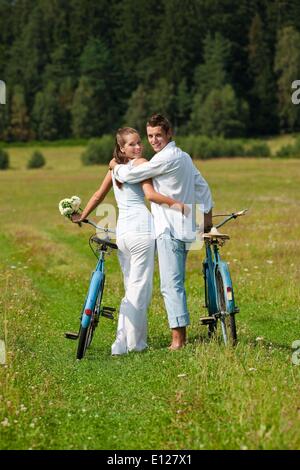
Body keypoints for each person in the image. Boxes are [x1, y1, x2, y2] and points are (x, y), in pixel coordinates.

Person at [72, 127, 187, 355]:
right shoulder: (141, 163)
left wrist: (83, 215)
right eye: (132, 144)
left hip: (123, 232)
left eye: (139, 143)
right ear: (122, 148)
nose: (139, 147)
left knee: (132, 286)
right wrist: (180, 206)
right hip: (141, 231)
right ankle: (124, 343)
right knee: (139, 289)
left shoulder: (114, 169)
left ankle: (135, 341)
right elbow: (149, 194)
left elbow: (98, 195)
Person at [110, 114, 213, 350]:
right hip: (187, 227)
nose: (154, 140)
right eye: (150, 136)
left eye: (158, 135)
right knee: (176, 281)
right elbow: (202, 186)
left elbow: (130, 175)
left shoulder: (163, 160)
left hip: (169, 228)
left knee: (170, 284)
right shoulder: (184, 157)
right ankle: (179, 335)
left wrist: (115, 165)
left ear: (169, 134)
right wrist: (207, 214)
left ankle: (178, 340)